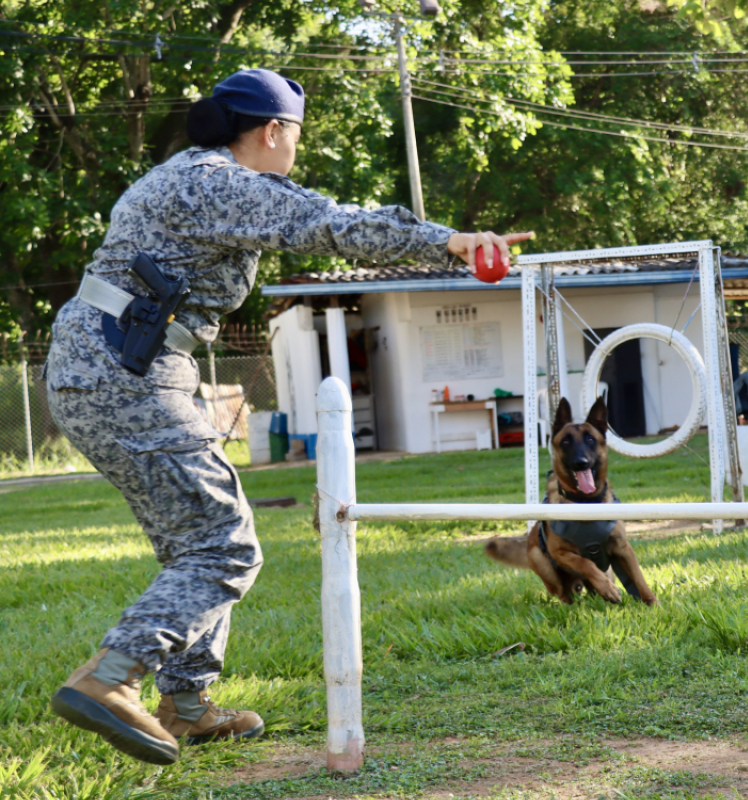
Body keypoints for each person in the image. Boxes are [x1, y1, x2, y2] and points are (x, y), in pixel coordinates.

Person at [45, 68, 532, 766]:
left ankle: (186, 707)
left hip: (123, 364)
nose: (295, 152)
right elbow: (327, 223)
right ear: (272, 131)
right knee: (224, 545)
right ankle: (111, 676)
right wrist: (446, 241)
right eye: (296, 136)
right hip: (126, 370)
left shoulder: (191, 176)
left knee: (199, 538)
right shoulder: (219, 183)